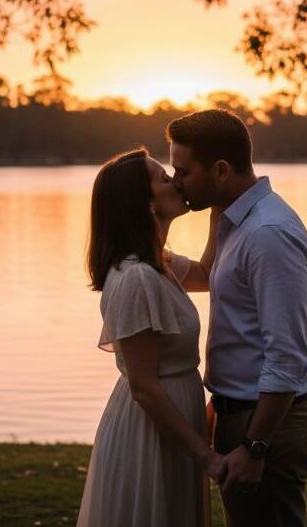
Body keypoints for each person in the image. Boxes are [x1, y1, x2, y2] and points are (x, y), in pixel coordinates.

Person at [167, 109, 307, 527]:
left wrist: (256, 447)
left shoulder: (268, 234)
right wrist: (149, 255)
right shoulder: (231, 216)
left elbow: (286, 357)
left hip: (270, 425)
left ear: (220, 170)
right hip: (240, 413)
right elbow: (206, 275)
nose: (175, 181)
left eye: (183, 171)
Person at [77, 147, 225, 527]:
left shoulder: (159, 262)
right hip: (151, 431)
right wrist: (205, 456)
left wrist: (218, 202)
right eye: (163, 178)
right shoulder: (137, 277)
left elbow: (209, 273)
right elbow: (144, 387)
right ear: (144, 205)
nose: (175, 181)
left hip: (174, 419)